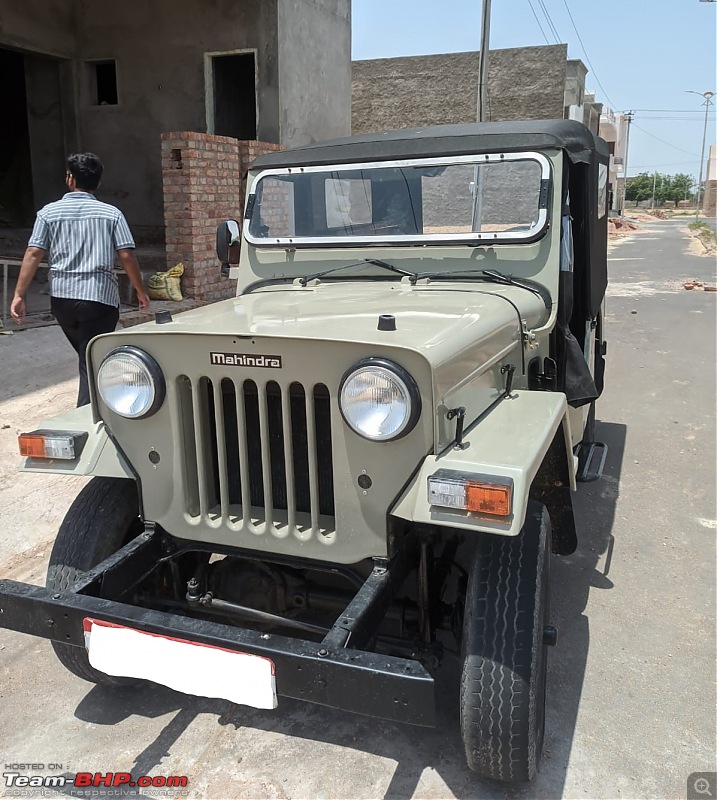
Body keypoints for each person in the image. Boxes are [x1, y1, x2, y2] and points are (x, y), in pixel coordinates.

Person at [10, 153, 150, 406]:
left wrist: (19, 294)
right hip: (99, 301)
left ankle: (100, 402)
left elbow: (33, 252)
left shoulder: (48, 213)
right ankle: (88, 412)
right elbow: (127, 255)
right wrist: (140, 291)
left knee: (88, 356)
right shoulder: (111, 214)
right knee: (91, 359)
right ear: (98, 181)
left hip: (62, 301)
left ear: (70, 179)